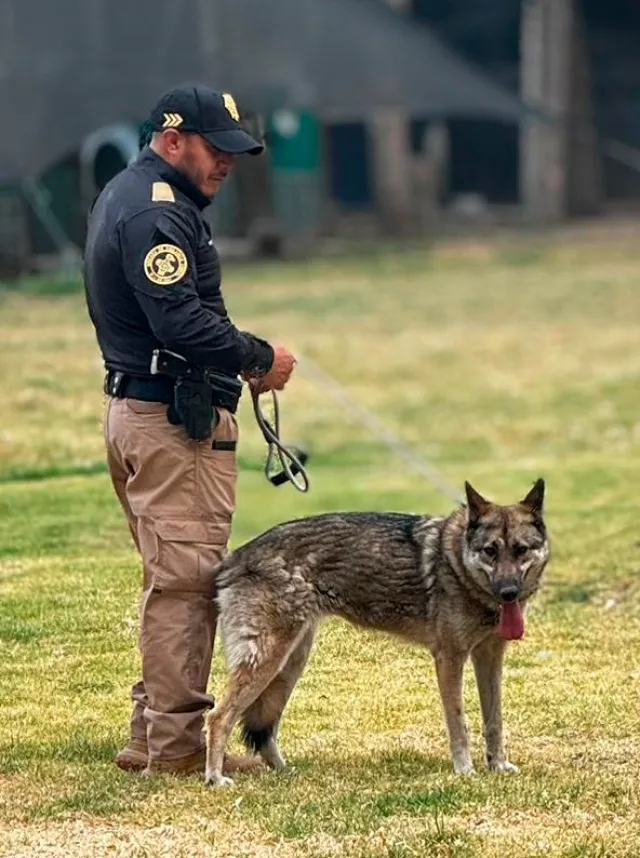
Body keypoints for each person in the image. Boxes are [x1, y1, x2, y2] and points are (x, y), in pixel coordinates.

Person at [83, 84, 296, 776]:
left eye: (235, 151)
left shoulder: (130, 194)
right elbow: (180, 322)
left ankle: (151, 735)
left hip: (140, 411)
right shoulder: (156, 212)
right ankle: (177, 750)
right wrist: (258, 357)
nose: (227, 164)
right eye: (217, 149)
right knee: (187, 584)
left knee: (168, 580)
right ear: (172, 140)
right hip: (171, 422)